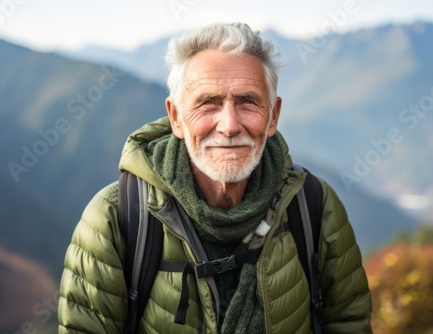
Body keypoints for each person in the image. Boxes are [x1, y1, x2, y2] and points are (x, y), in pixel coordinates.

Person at [58, 22, 372, 333]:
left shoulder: (313, 205)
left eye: (248, 101)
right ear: (177, 118)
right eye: (208, 103)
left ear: (273, 116)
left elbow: (350, 324)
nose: (229, 125)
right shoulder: (116, 217)